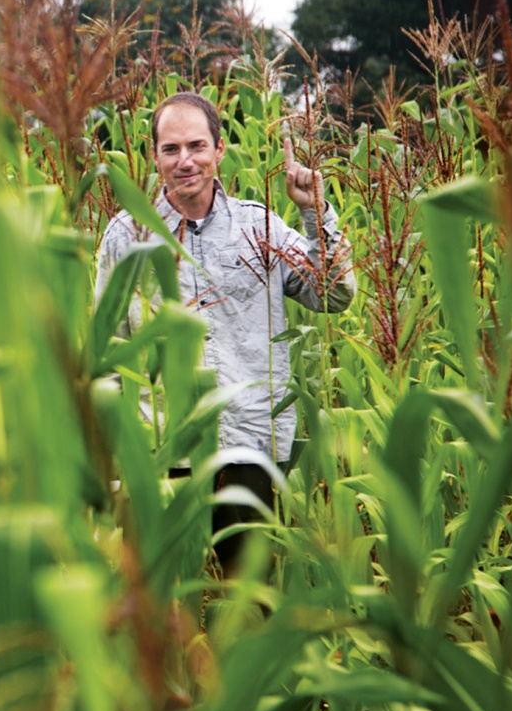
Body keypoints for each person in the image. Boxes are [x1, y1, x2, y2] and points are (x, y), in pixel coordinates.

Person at [95, 91, 356, 574]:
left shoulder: (260, 228)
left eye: (196, 146)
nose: (184, 161)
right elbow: (108, 353)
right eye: (170, 149)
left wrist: (315, 213)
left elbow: (334, 295)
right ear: (154, 156)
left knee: (248, 601)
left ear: (219, 150)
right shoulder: (127, 236)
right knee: (160, 612)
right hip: (161, 450)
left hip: (247, 446)